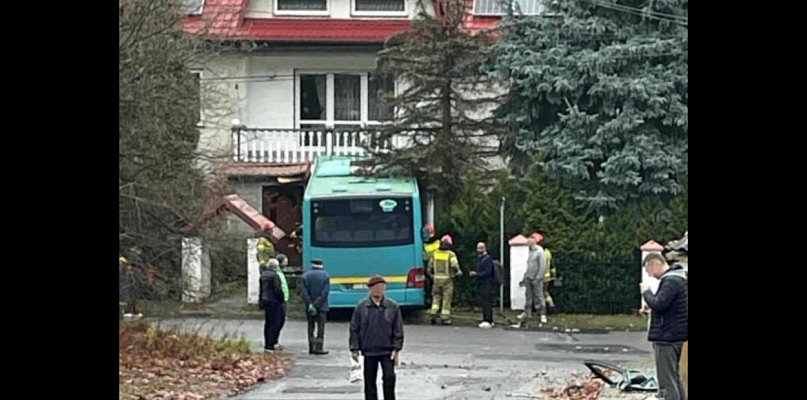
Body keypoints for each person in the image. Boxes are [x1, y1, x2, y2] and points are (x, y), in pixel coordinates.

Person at [641, 252, 688, 400]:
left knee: (667, 382)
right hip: (676, 334)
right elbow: (668, 306)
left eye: (649, 271)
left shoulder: (671, 280)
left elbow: (660, 304)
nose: (650, 275)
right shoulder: (679, 279)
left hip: (666, 337)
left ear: (655, 264)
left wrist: (646, 293)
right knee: (674, 377)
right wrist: (651, 309)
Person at [349, 275, 404, 400]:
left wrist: (396, 349)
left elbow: (398, 329)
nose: (378, 290)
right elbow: (354, 328)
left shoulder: (392, 307)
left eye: (381, 287)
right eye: (375, 287)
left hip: (387, 351)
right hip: (369, 351)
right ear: (370, 289)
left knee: (389, 378)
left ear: (384, 288)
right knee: (369, 381)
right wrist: (354, 348)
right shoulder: (362, 307)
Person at [427, 234, 462, 325]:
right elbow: (454, 265)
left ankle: (433, 314)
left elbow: (429, 267)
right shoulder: (450, 254)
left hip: (436, 280)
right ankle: (445, 318)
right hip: (447, 280)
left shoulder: (435, 254)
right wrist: (458, 272)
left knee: (436, 297)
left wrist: (431, 275)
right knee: (446, 298)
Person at [302, 258, 331, 355]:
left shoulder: (306, 275)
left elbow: (304, 292)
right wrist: (317, 304)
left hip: (309, 306)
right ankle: (319, 347)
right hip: (322, 306)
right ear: (321, 265)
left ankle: (311, 347)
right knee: (320, 327)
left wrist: (310, 304)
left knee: (311, 326)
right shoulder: (325, 275)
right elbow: (325, 292)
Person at [518, 232, 548, 327]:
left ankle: (543, 314)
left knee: (539, 296)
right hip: (529, 278)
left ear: (533, 241)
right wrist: (525, 277)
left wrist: (539, 277)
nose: (527, 244)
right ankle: (527, 313)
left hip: (536, 278)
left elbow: (542, 265)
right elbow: (529, 265)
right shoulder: (530, 251)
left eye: (529, 242)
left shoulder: (540, 251)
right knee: (528, 296)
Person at [259, 258, 285, 352]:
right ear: (276, 267)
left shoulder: (263, 275)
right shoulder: (275, 276)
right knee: (275, 323)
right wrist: (282, 299)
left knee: (268, 323)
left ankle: (267, 344)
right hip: (275, 302)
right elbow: (278, 290)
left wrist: (260, 302)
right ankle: (271, 344)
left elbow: (262, 290)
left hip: (266, 301)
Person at [469, 242, 495, 329]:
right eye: (478, 248)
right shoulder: (480, 258)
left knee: (486, 301)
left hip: (487, 283)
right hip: (482, 283)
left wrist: (476, 274)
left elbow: (488, 272)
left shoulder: (487, 259)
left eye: (480, 248)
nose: (478, 250)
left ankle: (488, 320)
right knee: (484, 301)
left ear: (485, 248)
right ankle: (486, 319)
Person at [275, 253, 291, 350]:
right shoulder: (277, 273)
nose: (287, 262)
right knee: (278, 321)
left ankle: (276, 341)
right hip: (280, 300)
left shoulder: (280, 272)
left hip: (283, 299)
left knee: (281, 321)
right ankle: (274, 342)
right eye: (285, 260)